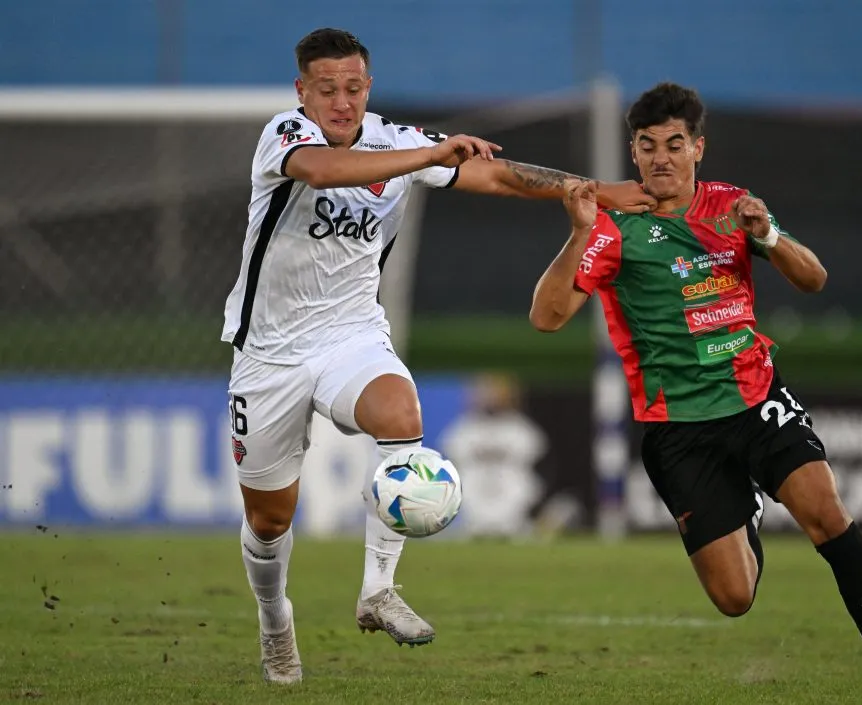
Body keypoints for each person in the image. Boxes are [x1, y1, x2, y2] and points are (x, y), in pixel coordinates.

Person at [222, 27, 655, 684]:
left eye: (354, 88)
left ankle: (376, 591)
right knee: (269, 518)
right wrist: (427, 155)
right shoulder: (285, 136)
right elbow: (323, 170)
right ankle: (275, 618)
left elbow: (499, 175)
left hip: (351, 337)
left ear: (368, 86)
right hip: (270, 355)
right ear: (302, 91)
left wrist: (594, 190)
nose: (342, 102)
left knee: (401, 413)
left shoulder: (397, 141)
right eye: (327, 89)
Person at [528, 82, 862, 698]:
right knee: (733, 599)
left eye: (675, 144)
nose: (661, 158)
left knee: (827, 517)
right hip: (680, 428)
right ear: (633, 153)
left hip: (757, 398)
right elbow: (547, 317)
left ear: (699, 148)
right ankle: (743, 510)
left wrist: (769, 236)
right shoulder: (612, 231)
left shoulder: (731, 208)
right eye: (647, 147)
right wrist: (576, 232)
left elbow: (814, 279)